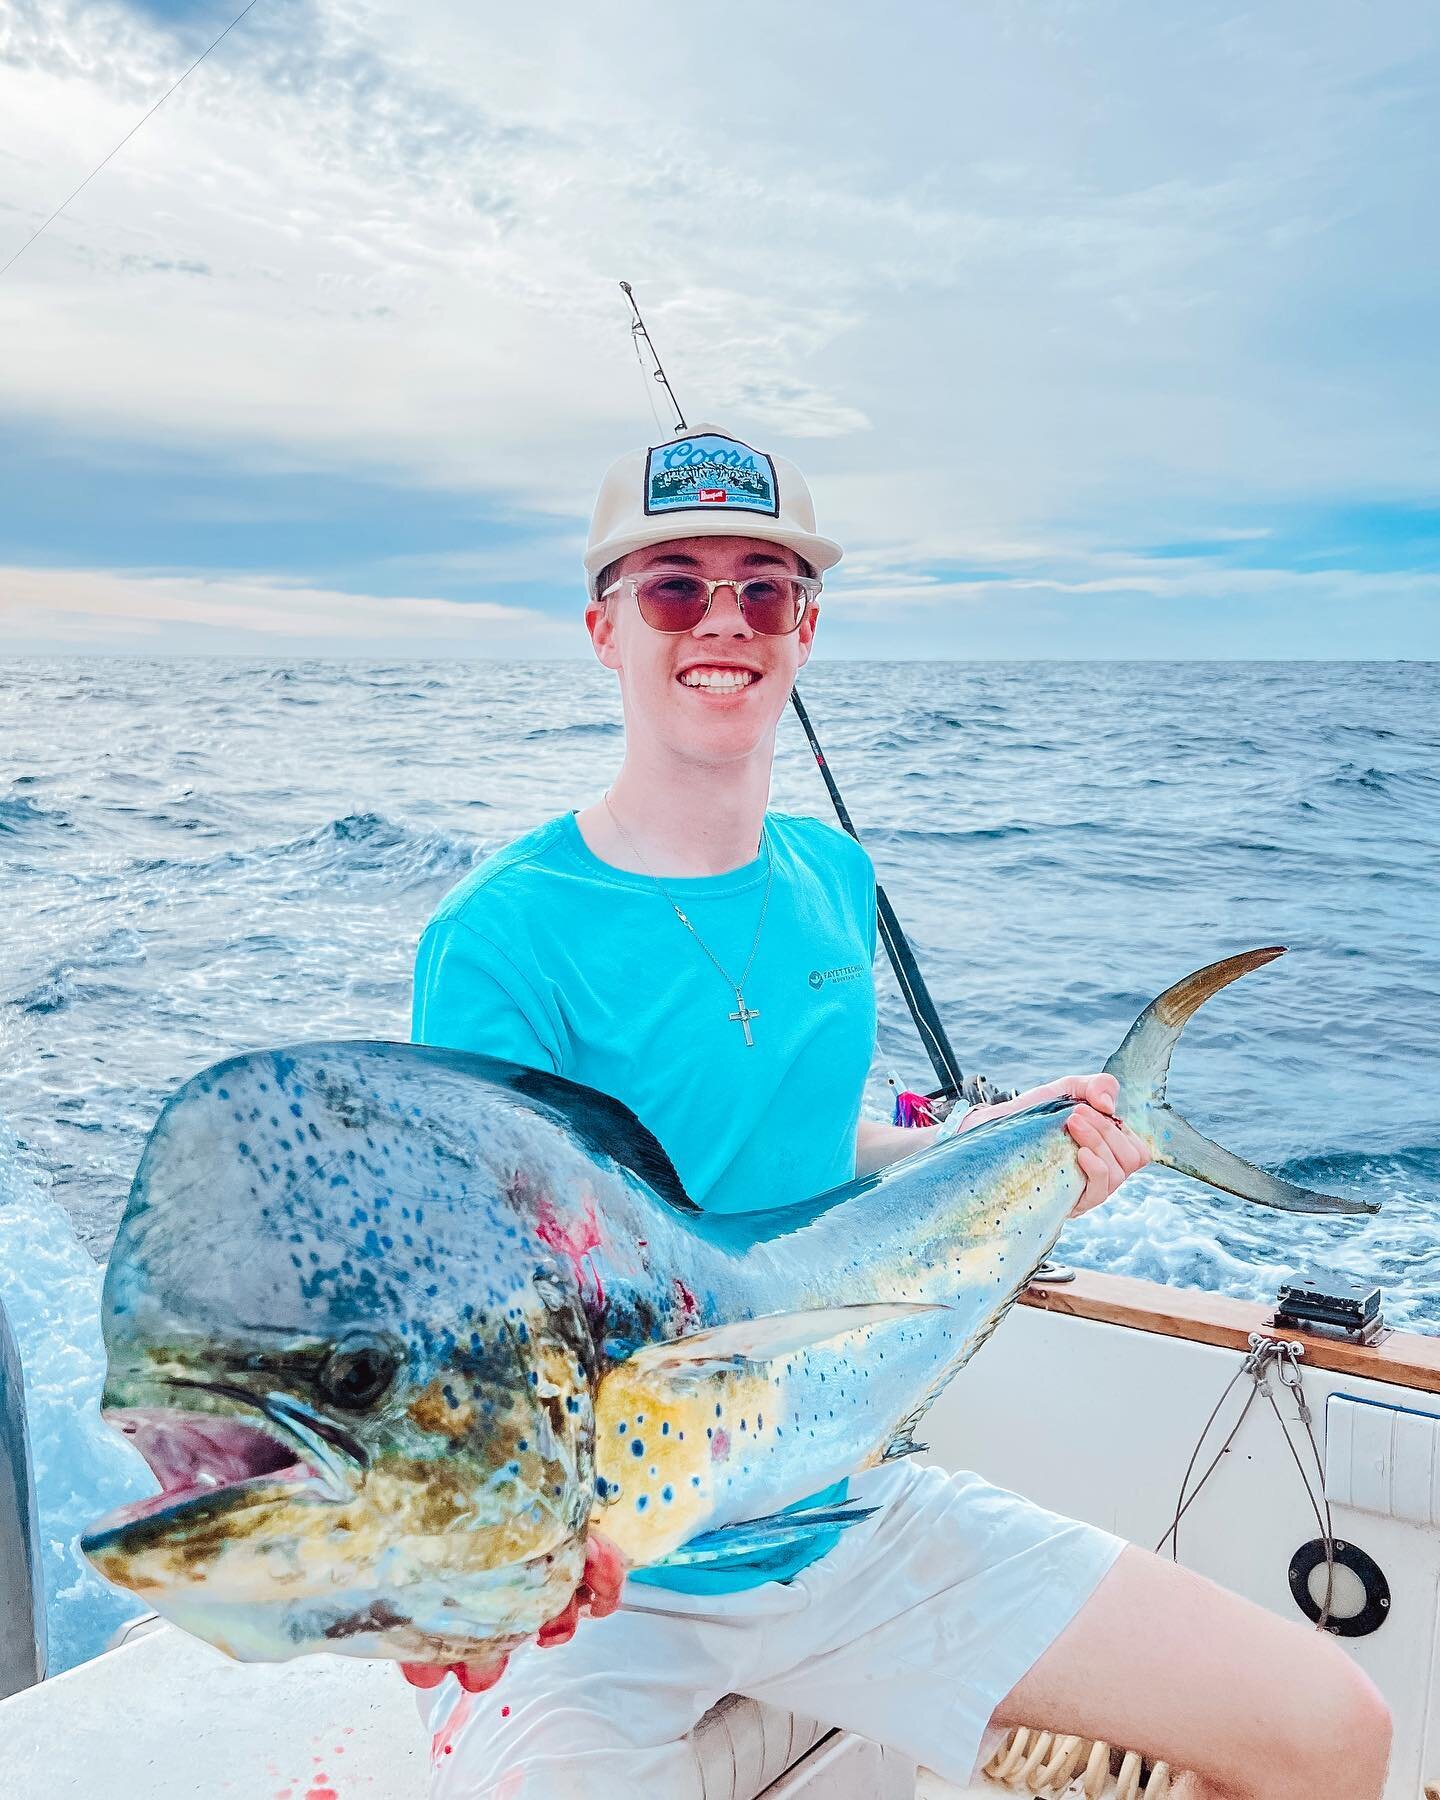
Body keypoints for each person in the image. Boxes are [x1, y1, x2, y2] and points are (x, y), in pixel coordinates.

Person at [406, 426, 1391, 1799]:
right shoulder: (497, 937)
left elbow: (819, 1152)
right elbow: (490, 1306)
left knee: (1333, 1735)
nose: (725, 622)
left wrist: (999, 1150)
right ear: (603, 626)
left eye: (764, 588)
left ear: (805, 627)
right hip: (615, 1564)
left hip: (845, 1505)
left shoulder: (833, 876)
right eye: (676, 587)